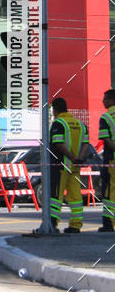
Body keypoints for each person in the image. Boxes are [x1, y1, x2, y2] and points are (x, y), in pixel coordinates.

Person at [48, 97, 89, 234]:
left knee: (56, 196)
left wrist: (71, 157)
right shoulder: (80, 124)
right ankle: (76, 226)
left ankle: (52, 224)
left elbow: (58, 144)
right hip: (75, 167)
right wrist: (79, 158)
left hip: (61, 166)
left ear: (55, 109)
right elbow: (85, 144)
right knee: (75, 197)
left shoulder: (58, 123)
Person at [97, 89, 115, 232]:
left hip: (112, 161)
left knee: (109, 191)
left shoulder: (106, 117)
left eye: (105, 99)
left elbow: (107, 140)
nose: (103, 102)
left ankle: (109, 223)